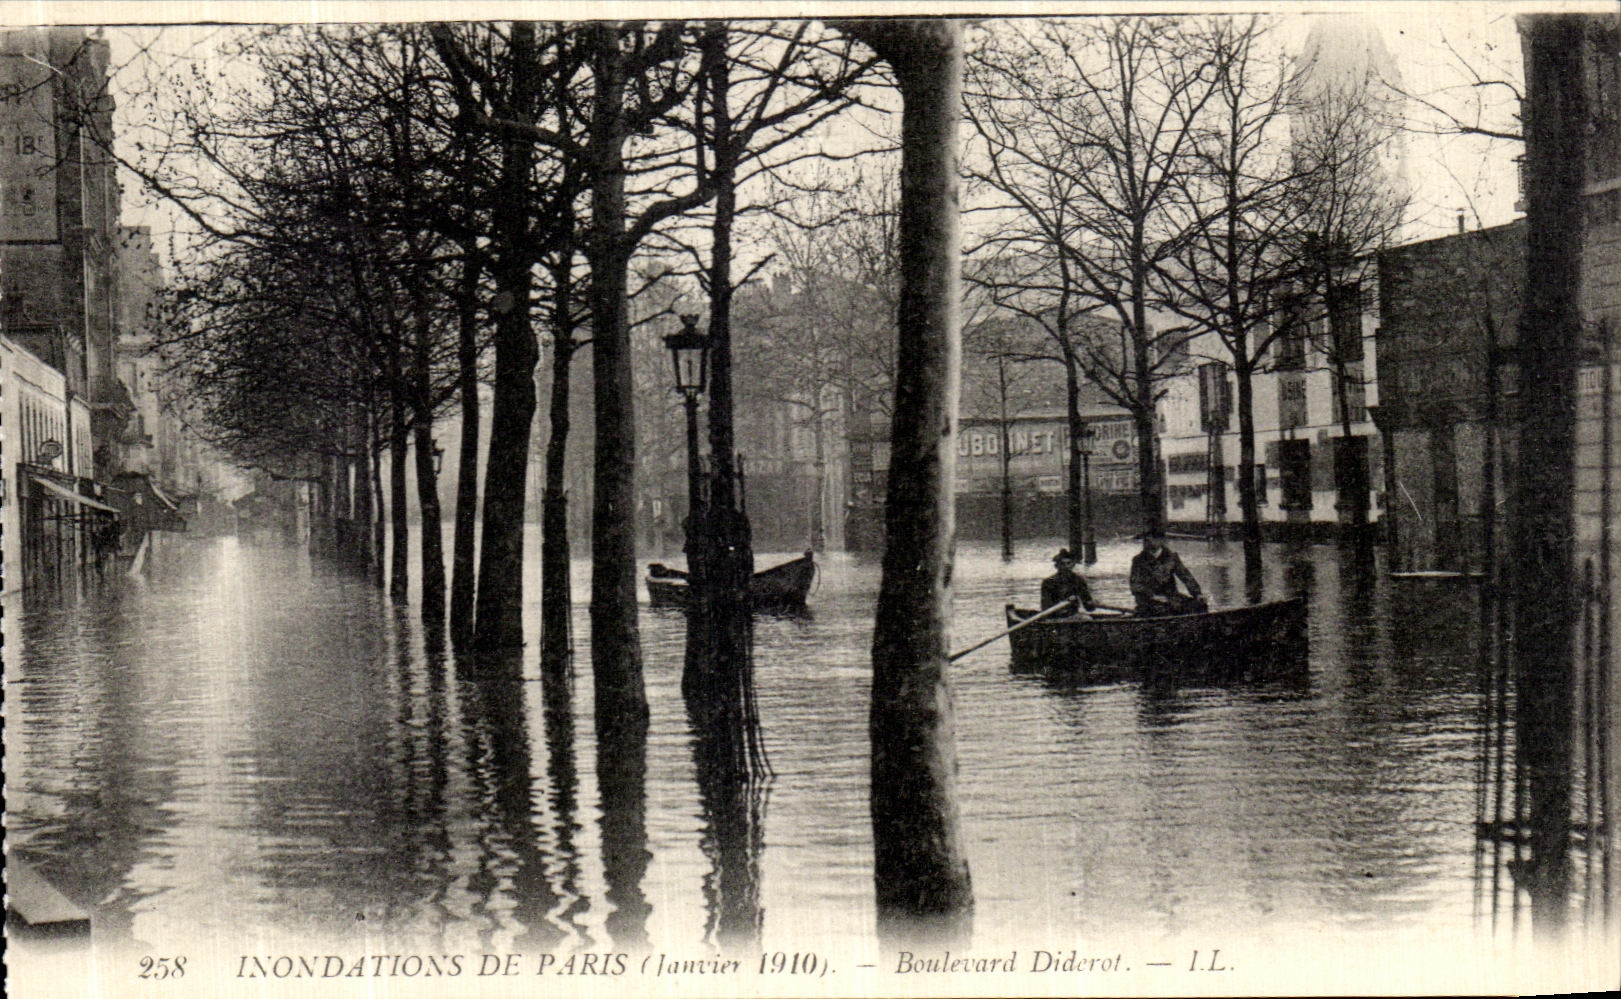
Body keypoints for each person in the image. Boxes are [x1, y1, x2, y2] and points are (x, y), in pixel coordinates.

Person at [1130, 529, 1207, 616]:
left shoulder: (1171, 558)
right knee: (1162, 610)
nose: (1146, 543)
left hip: (1171, 597)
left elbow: (1186, 577)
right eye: (1145, 540)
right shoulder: (1138, 560)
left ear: (1161, 541)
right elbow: (1135, 585)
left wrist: (1197, 594)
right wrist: (1152, 596)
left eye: (1150, 539)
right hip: (1149, 600)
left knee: (1200, 605)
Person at [1041, 548, 1095, 616]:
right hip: (1054, 617)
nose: (1066, 566)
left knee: (1087, 618)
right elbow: (1045, 608)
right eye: (1062, 564)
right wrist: (1066, 602)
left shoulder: (1079, 581)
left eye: (1068, 563)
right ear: (1057, 566)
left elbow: (1089, 608)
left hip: (1073, 616)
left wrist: (1091, 603)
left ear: (1073, 565)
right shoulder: (1048, 582)